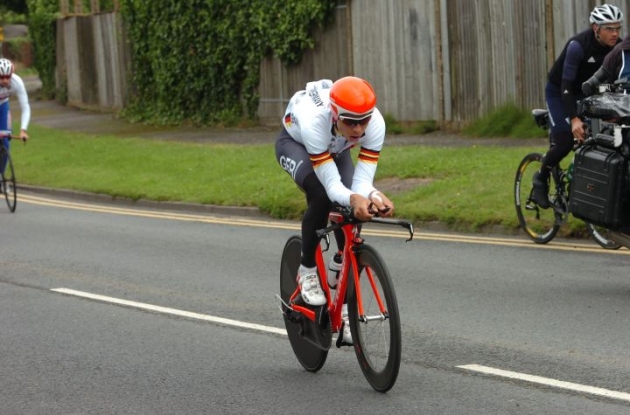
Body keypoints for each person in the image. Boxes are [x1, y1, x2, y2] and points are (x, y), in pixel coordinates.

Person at [275, 76, 394, 345]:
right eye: (351, 121)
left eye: (363, 119)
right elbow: (331, 185)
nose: (358, 128)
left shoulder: (374, 123)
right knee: (321, 195)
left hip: (335, 146)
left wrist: (374, 195)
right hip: (297, 144)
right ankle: (306, 271)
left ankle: (341, 270)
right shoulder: (315, 122)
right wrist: (356, 197)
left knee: (354, 208)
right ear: (334, 113)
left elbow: (360, 183)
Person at [532, 4, 623, 208]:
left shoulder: (618, 49)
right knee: (564, 142)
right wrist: (574, 119)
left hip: (589, 91)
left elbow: (614, 84)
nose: (615, 33)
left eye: (618, 28)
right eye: (609, 28)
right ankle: (540, 177)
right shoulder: (578, 46)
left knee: (604, 139)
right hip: (560, 91)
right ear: (595, 28)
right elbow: (566, 85)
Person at [0, 58, 30, 185]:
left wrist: (23, 130)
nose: (5, 80)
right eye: (2, 78)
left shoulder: (17, 82)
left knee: (5, 141)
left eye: (8, 77)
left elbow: (25, 107)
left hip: (3, 106)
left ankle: (0, 177)